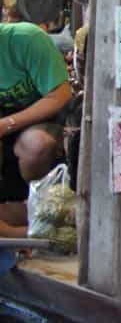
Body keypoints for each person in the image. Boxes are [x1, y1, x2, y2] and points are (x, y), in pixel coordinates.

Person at [0, 22, 72, 237]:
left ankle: (38, 216)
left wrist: (7, 124)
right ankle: (23, 231)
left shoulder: (26, 39)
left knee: (37, 144)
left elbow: (59, 94)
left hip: (39, 119)